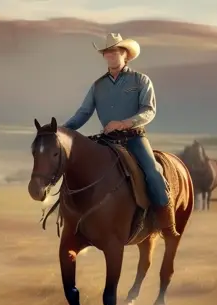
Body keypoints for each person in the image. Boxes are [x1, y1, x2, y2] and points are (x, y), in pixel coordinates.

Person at [62, 33, 179, 237]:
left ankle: (166, 223)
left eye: (114, 52)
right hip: (107, 141)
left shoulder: (140, 80)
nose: (110, 56)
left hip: (134, 138)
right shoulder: (97, 86)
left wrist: (124, 123)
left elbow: (148, 110)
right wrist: (62, 130)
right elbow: (83, 113)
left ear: (125, 55)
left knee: (152, 172)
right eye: (107, 53)